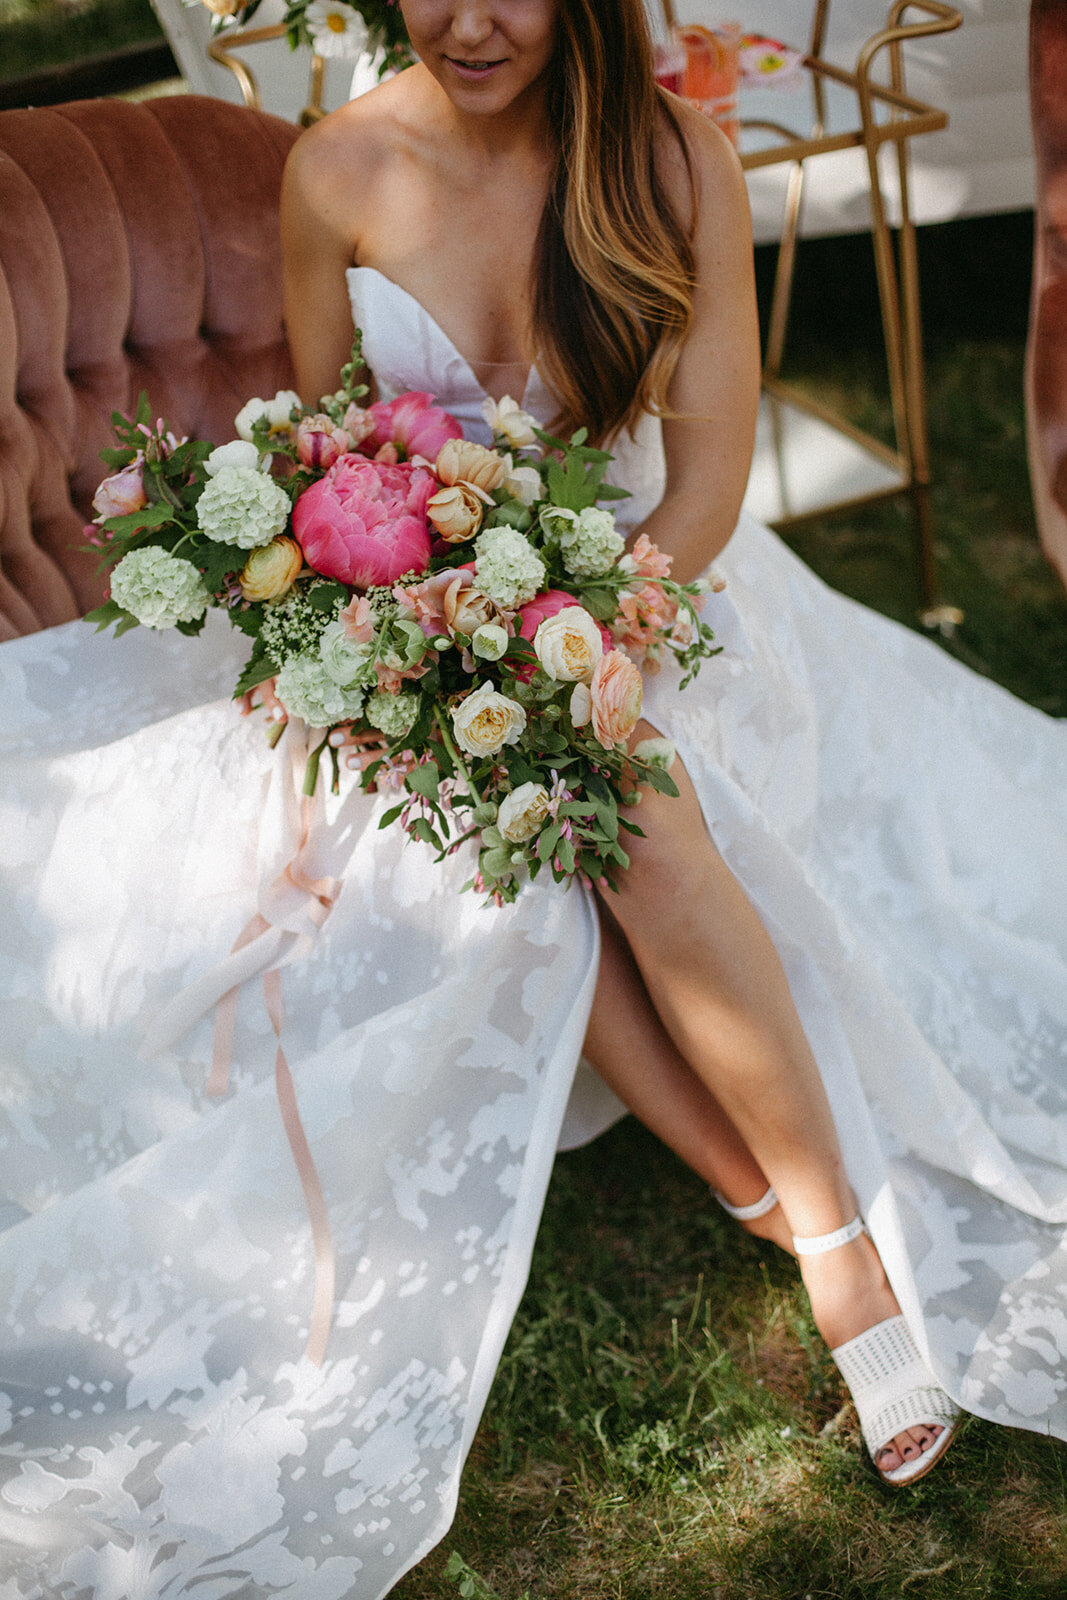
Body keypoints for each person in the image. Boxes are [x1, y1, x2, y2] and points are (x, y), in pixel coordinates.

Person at [0, 3, 1064, 1597]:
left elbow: (705, 480)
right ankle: (781, 1201)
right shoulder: (337, 168)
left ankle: (835, 1250)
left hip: (664, 597)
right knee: (527, 818)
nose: (471, 20)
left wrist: (596, 627)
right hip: (436, 620)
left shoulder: (666, 159)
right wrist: (399, 636)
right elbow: (331, 452)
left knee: (620, 799)